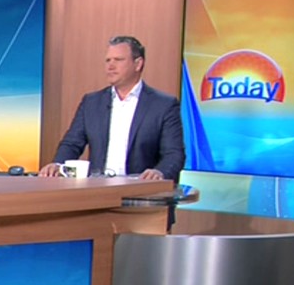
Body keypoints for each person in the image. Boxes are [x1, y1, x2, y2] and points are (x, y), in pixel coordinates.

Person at [39, 35, 185, 181]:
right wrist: (58, 164)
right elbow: (72, 143)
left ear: (138, 64)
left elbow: (174, 154)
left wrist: (159, 172)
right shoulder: (91, 102)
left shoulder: (163, 105)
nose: (110, 66)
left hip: (141, 189)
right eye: (108, 60)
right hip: (97, 188)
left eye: (118, 60)